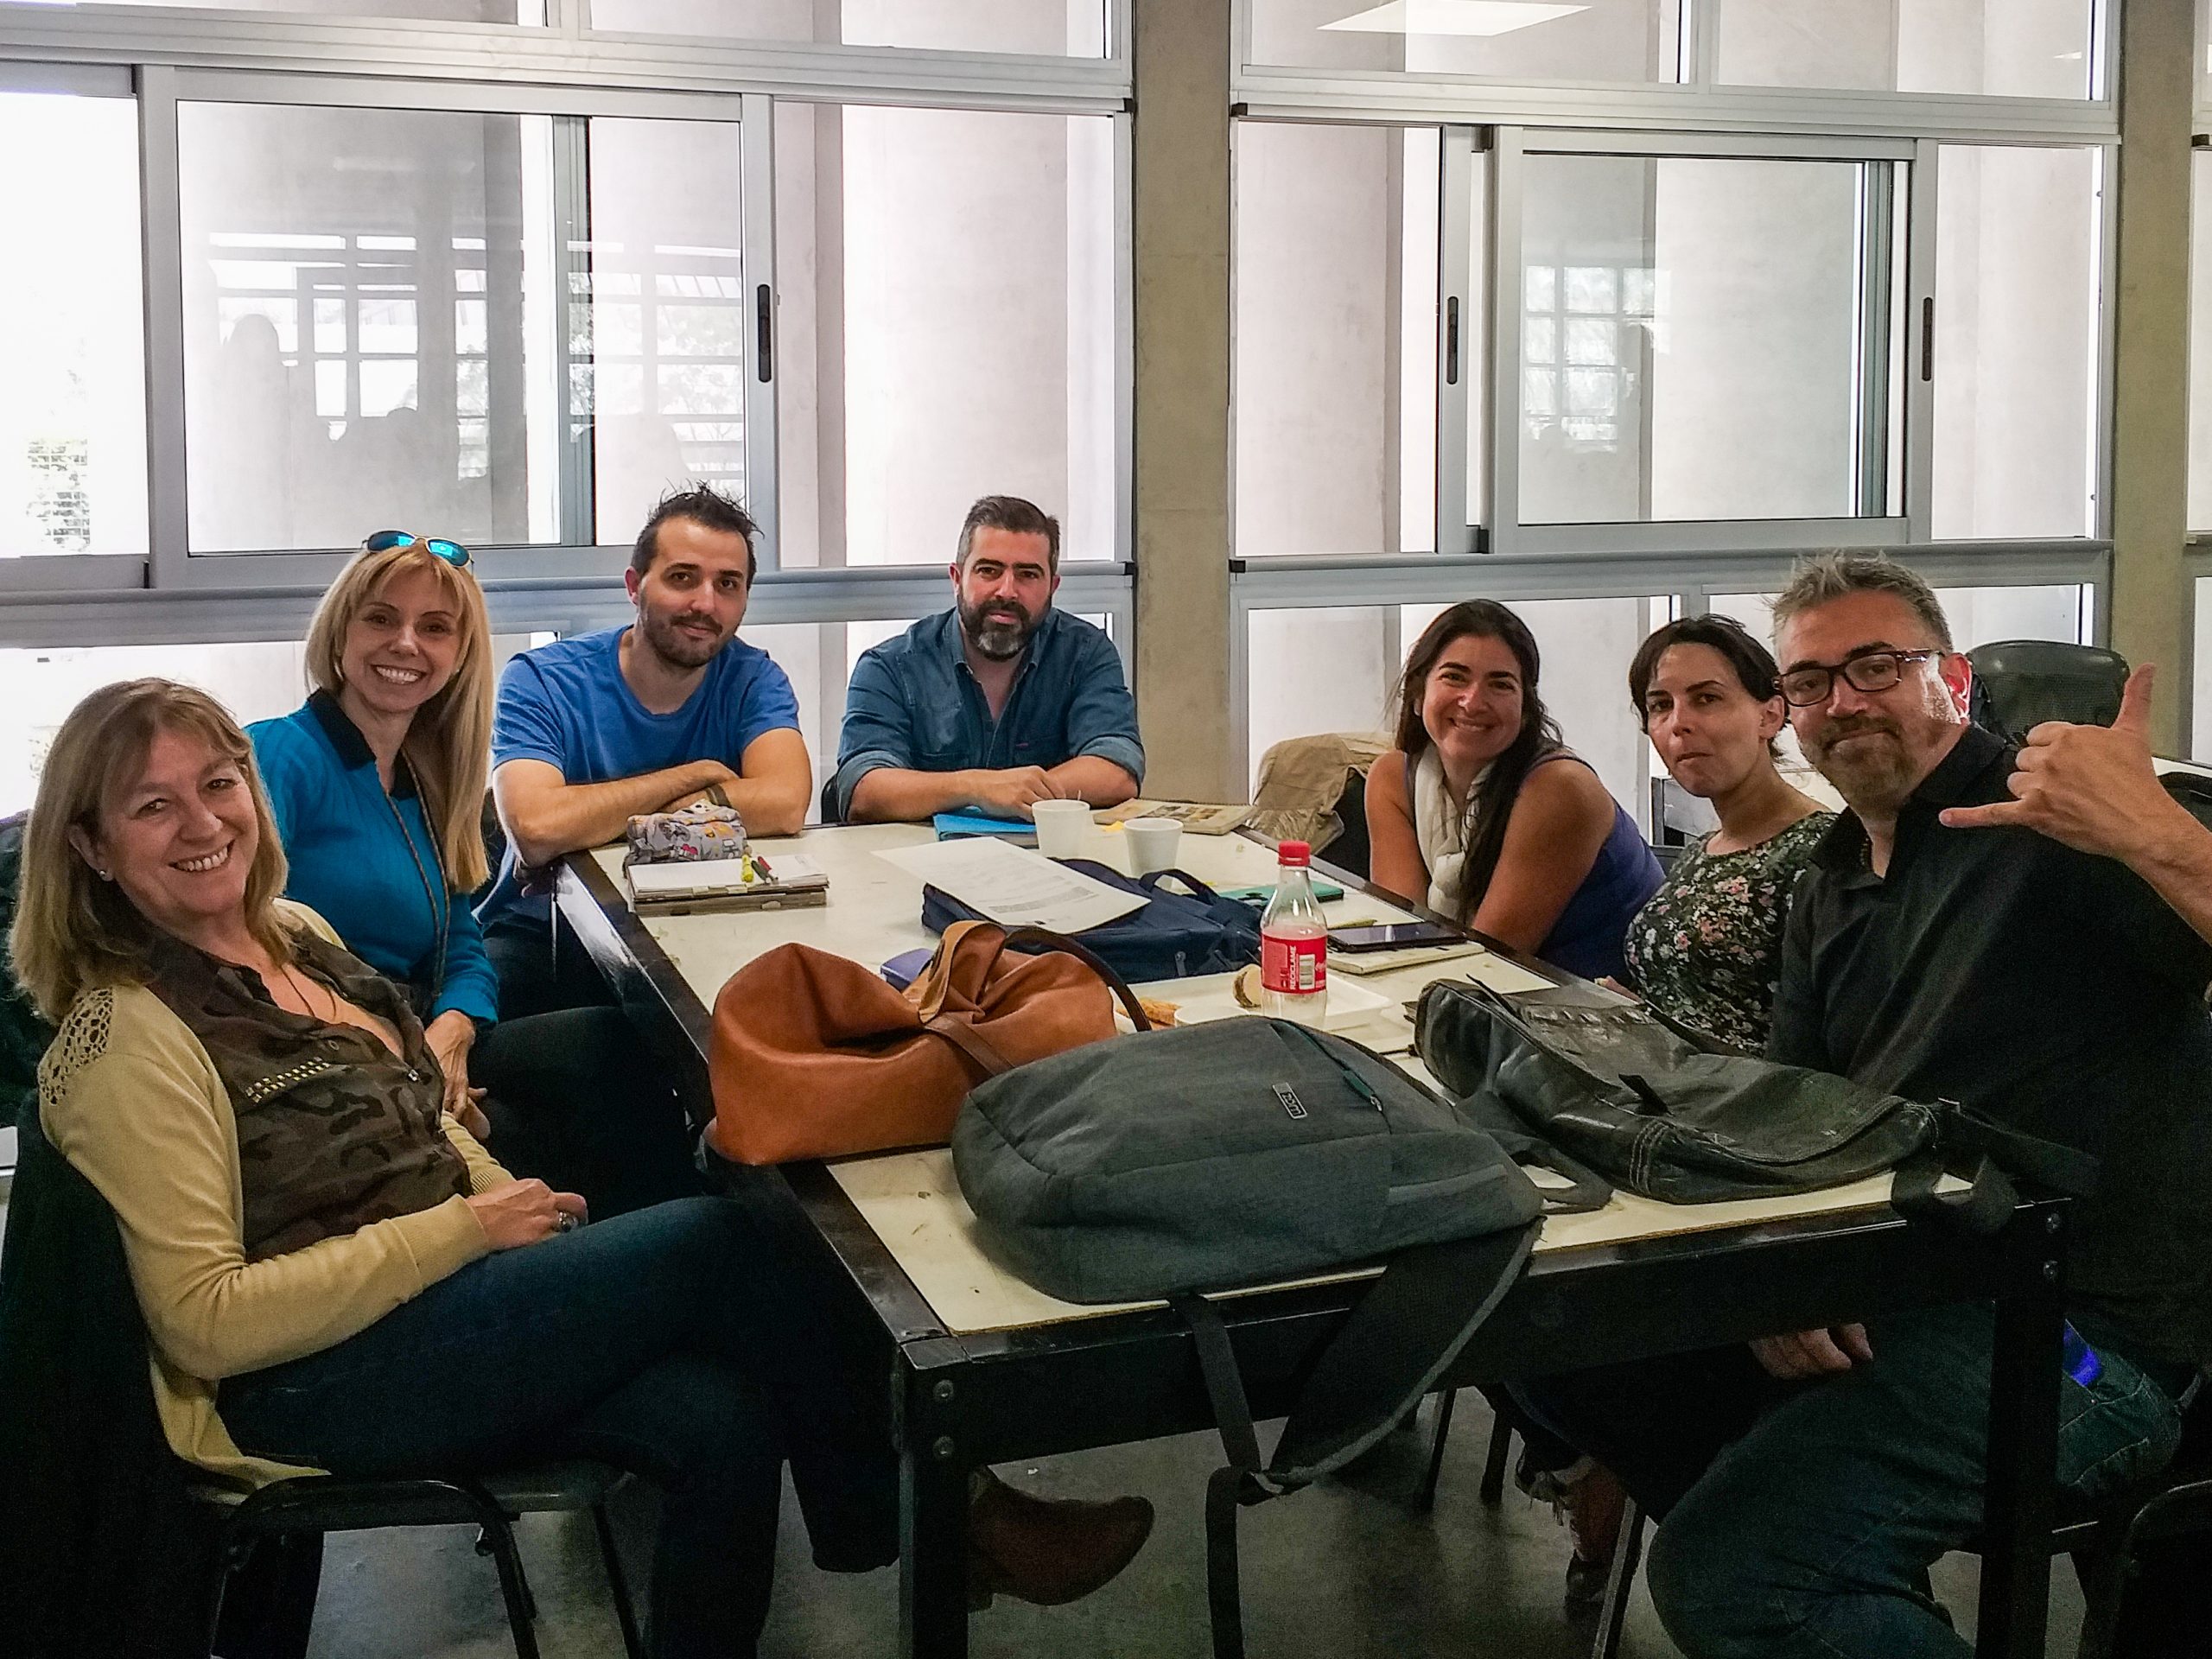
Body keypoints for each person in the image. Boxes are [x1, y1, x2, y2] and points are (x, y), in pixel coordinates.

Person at [10, 679, 1154, 1659]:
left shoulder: (294, 931)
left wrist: (492, 1200)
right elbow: (209, 1323)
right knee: (726, 1236)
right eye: (152, 805)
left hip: (434, 1300)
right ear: (91, 847)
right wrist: (466, 1233)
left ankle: (908, 1526)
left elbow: (418, 1113)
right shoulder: (127, 1038)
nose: (203, 821)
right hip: (312, 1382)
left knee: (717, 1417)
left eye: (218, 783)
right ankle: (941, 1519)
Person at [1513, 553, 2210, 1659]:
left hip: (2078, 1343)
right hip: (1901, 1288)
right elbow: (1793, 1113)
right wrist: (1791, 1272)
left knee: (1739, 1578)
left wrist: (2157, 832)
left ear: (1954, 680)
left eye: (1877, 666)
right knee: (1565, 1344)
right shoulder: (1832, 879)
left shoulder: (2061, 820)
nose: (1842, 701)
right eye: (1810, 680)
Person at [249, 533, 695, 1218]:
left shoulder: (426, 776)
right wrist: (407, 1062)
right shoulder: (279, 755)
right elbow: (242, 951)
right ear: (340, 632)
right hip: (333, 1059)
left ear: (459, 654)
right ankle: (664, 1245)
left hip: (420, 1032)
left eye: (435, 628)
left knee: (613, 1045)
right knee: (558, 1128)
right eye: (381, 618)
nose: (406, 643)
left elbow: (461, 939)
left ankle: (655, 1243)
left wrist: (454, 1027)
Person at [480, 486, 810, 1015]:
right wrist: (696, 776)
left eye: (728, 584)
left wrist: (589, 819)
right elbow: (537, 827)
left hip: (702, 926)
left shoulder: (754, 679)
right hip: (544, 931)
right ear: (635, 586)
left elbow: (785, 803)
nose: (706, 603)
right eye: (683, 578)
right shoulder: (541, 679)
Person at [1365, 601, 1662, 981]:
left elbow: (1486, 965)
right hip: (1496, 999)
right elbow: (1403, 938)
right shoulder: (1392, 778)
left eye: (1500, 684)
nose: (1473, 701)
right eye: (1455, 677)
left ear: (1525, 710)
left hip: (1599, 1004)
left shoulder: (1559, 790)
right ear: (1419, 693)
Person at [832, 494, 1143, 823]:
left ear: (1052, 587)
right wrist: (976, 787)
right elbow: (863, 790)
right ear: (956, 579)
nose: (1007, 591)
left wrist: (1020, 793)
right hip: (929, 854)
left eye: (1028, 575)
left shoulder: (1086, 653)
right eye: (988, 571)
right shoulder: (889, 667)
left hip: (1049, 851)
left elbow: (1118, 769)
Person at [1620, 614, 1834, 1051]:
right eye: (1660, 705)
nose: (1678, 723)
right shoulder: (1702, 851)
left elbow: (1823, 1051)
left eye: (1707, 698)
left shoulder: (1820, 854)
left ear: (1770, 715)